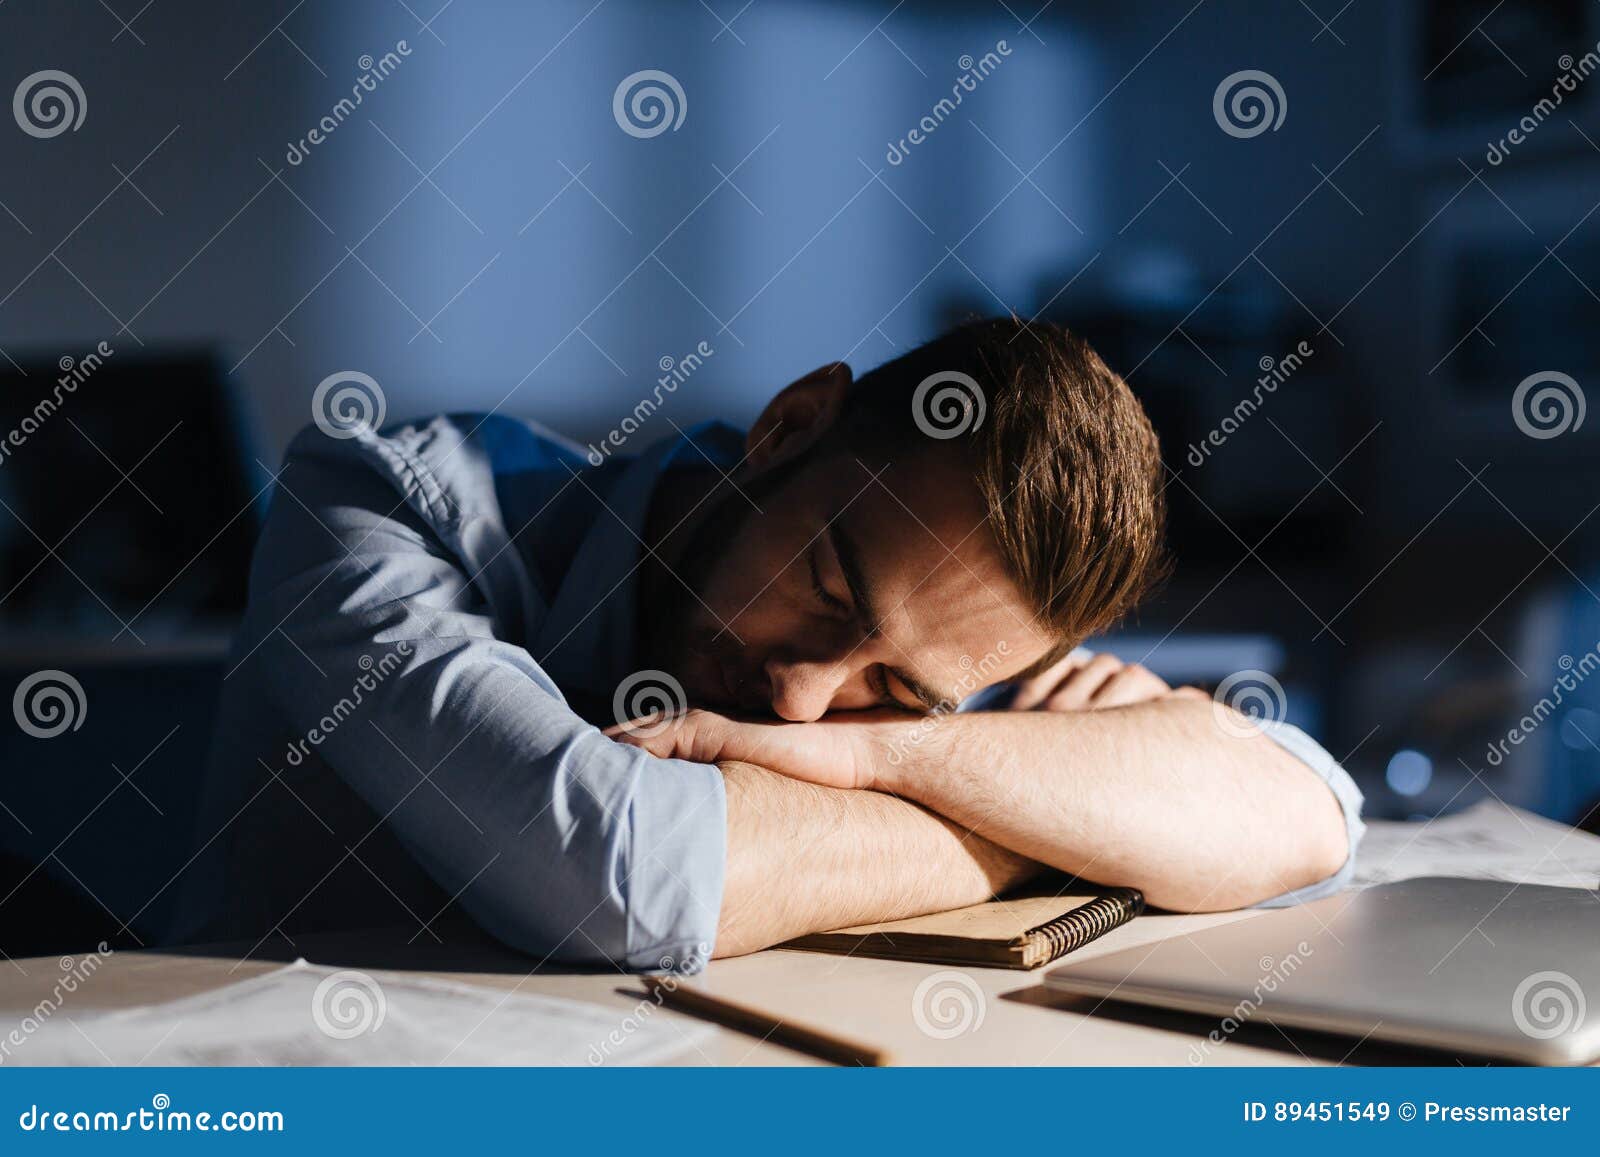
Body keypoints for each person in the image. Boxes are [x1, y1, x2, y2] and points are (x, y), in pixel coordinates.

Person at [176, 317, 1362, 969]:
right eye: (826, 582)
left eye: (895, 686)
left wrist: (888, 759)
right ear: (789, 425)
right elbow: (627, 872)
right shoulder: (381, 503)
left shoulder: (943, 684)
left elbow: (1308, 807)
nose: (801, 702)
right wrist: (1054, 827)